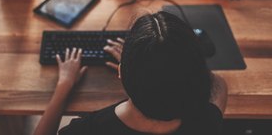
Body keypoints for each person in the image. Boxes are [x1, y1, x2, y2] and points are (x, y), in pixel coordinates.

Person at [34, 11, 228, 135]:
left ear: (121, 72)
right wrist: (166, 63)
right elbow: (219, 85)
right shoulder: (206, 122)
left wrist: (64, 84)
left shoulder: (85, 130)